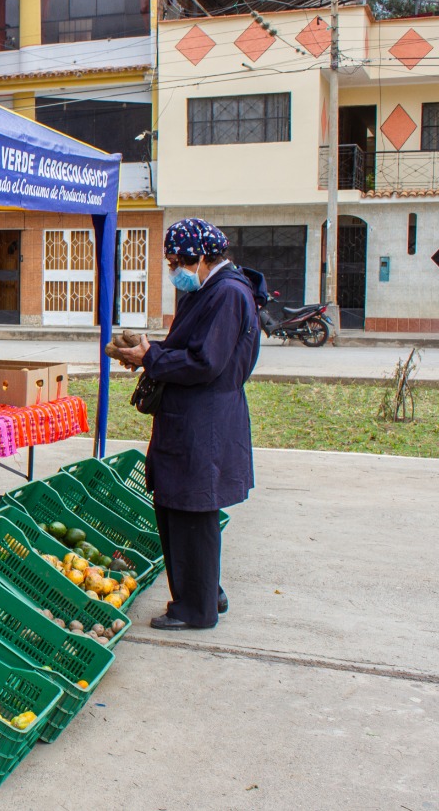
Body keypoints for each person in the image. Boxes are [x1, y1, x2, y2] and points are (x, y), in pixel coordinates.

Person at [113, 218, 260, 631]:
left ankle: (195, 609)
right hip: (192, 418)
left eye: (177, 261)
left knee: (191, 512)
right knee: (181, 511)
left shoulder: (227, 293)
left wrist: (151, 358)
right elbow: (191, 347)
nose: (174, 269)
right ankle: (207, 592)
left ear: (201, 257)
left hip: (204, 422)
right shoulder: (208, 290)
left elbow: (204, 361)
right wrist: (149, 353)